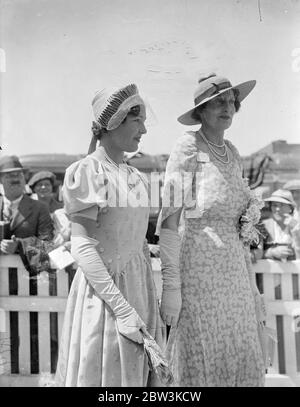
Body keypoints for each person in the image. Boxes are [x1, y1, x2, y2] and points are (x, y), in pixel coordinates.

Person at [157, 73, 266, 386]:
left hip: (235, 270)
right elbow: (169, 220)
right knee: (204, 354)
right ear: (200, 111)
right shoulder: (188, 146)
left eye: (232, 101)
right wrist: (172, 287)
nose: (227, 107)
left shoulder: (232, 152)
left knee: (240, 348)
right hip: (199, 270)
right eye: (217, 102)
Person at [55, 84, 165, 387]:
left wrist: (147, 304)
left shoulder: (136, 177)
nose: (143, 129)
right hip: (105, 297)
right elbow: (82, 247)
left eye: (144, 120)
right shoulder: (88, 171)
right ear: (114, 122)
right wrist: (122, 308)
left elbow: (138, 243)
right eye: (136, 120)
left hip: (139, 291)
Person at [0, 155, 54, 255]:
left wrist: (20, 245)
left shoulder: (40, 208)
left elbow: (47, 245)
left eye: (19, 175)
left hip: (25, 270)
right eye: (10, 175)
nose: (15, 179)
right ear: (0, 180)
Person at [262, 189, 300, 260]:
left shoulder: (297, 226)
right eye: (274, 205)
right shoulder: (263, 226)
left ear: (290, 208)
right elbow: (256, 254)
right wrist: (271, 252)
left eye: (282, 205)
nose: (277, 209)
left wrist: (296, 231)